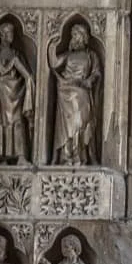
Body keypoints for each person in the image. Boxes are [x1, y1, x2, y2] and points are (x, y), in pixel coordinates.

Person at [0, 22, 34, 164]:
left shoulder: (17, 54)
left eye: (11, 32)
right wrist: (8, 67)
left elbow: (27, 76)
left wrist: (25, 81)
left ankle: (20, 155)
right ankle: (0, 156)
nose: (11, 35)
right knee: (0, 123)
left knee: (17, 122)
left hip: (15, 94)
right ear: (1, 35)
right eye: (8, 32)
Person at [50, 24, 101, 165]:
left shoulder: (91, 55)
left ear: (83, 37)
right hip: (65, 90)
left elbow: (96, 72)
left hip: (81, 91)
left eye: (76, 35)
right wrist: (51, 46)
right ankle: (66, 156)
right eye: (72, 35)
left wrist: (89, 80)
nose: (73, 38)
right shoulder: (68, 55)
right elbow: (54, 63)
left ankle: (79, 155)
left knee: (80, 122)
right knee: (67, 125)